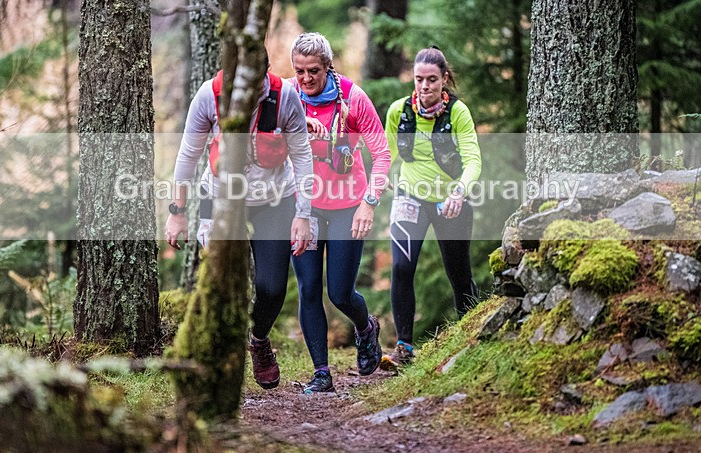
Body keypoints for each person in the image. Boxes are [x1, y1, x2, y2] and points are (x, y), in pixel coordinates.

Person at [165, 51, 314, 390]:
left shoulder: (284, 96)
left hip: (274, 199)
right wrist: (177, 214)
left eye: (257, 80)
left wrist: (303, 214)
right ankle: (211, 362)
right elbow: (188, 154)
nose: (250, 89)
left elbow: (302, 155)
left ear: (266, 72)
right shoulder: (209, 95)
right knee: (219, 282)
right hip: (220, 198)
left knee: (272, 287)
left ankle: (259, 340)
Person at [288, 32, 391, 393]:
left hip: (349, 204)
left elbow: (382, 155)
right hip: (305, 208)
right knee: (309, 288)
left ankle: (366, 328)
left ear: (328, 67)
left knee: (341, 293)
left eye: (313, 71)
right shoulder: (288, 98)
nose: (305, 79)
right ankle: (321, 374)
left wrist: (369, 202)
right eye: (298, 71)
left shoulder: (353, 97)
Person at [381, 46, 482, 369]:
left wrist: (460, 192)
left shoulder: (457, 113)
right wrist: (379, 179)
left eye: (432, 80)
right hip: (409, 197)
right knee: (401, 267)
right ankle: (404, 348)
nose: (424, 87)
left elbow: (473, 160)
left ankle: (472, 340)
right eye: (419, 79)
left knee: (459, 273)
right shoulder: (400, 111)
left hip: (449, 201)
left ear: (444, 79)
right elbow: (388, 154)